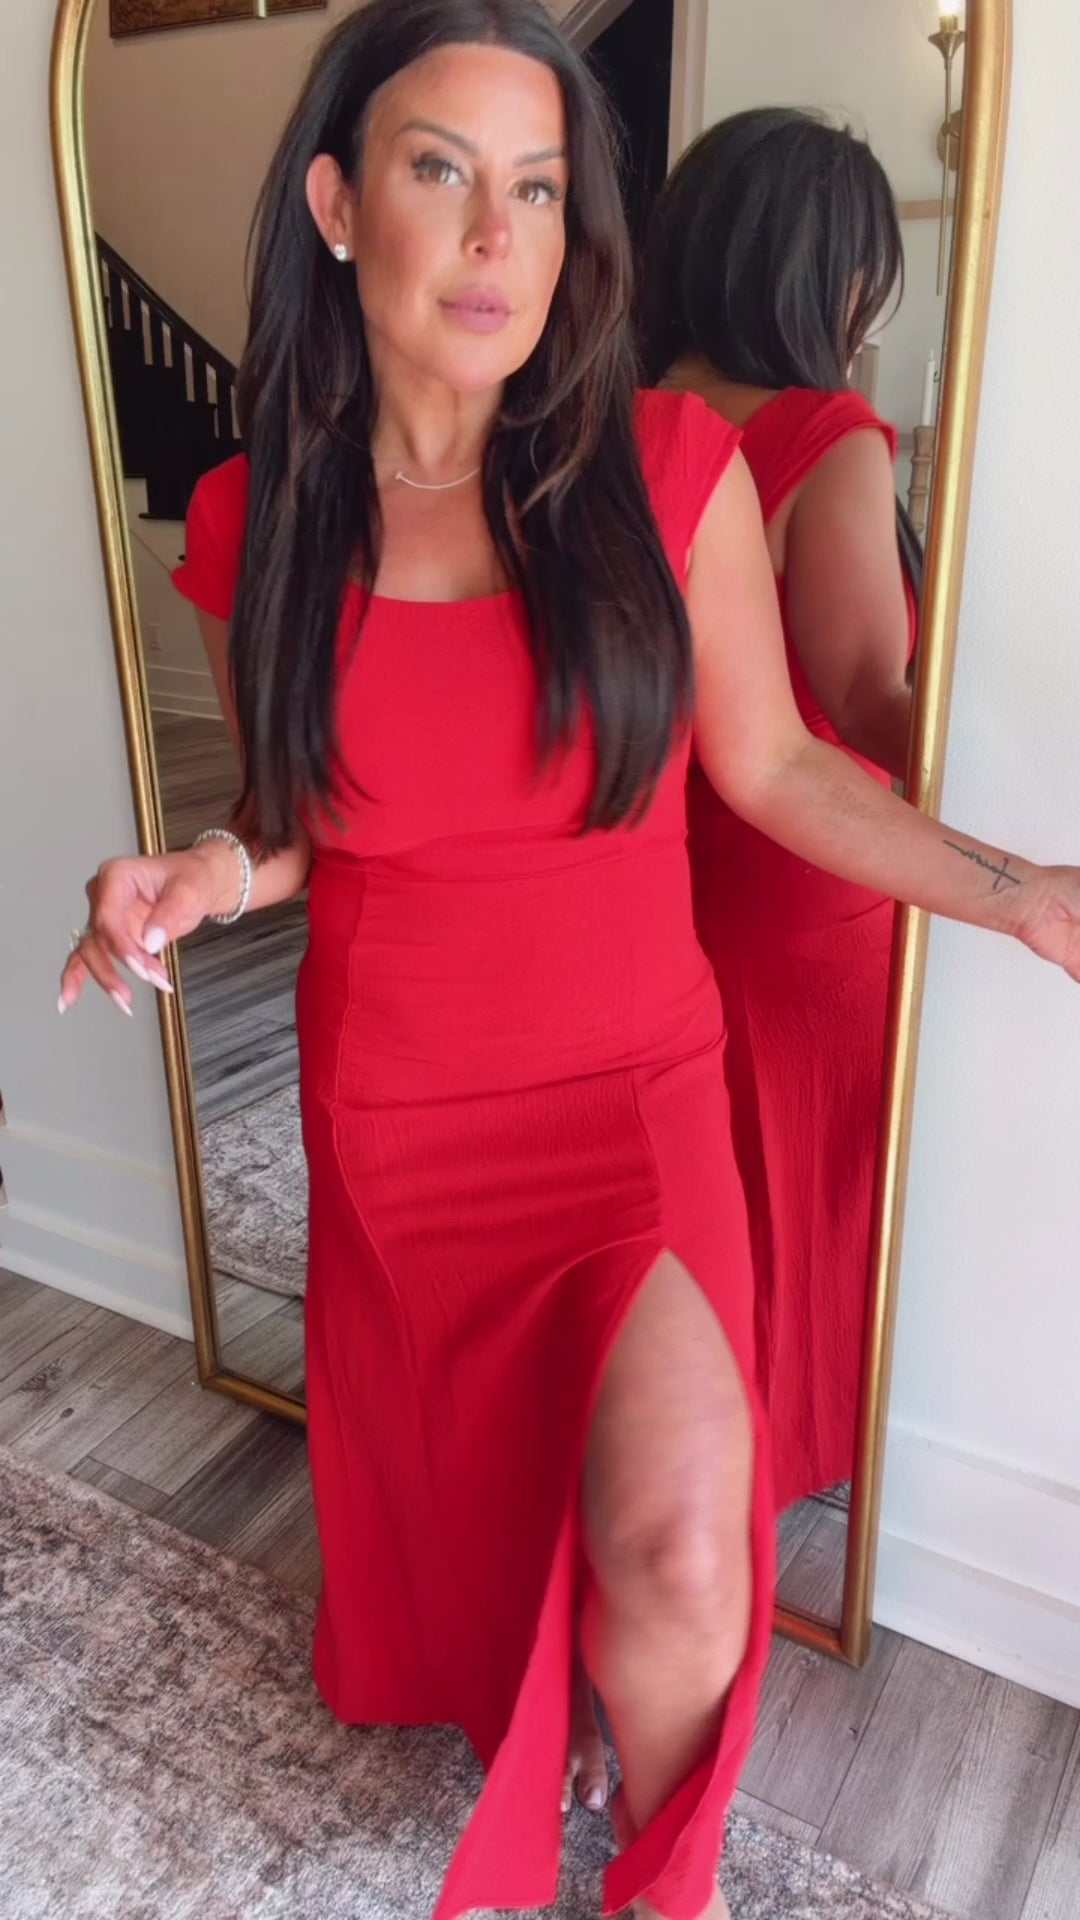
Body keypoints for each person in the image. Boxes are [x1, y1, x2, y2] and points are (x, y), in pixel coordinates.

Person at [59, 12, 1080, 1919]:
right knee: (505, 1503)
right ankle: (551, 1671)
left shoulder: (672, 468)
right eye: (441, 171)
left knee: (686, 1546)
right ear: (337, 204)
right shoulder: (255, 514)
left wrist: (1022, 891)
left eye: (537, 189)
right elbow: (294, 813)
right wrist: (203, 872)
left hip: (630, 1099)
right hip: (399, 1110)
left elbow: (778, 769)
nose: (494, 235)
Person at [640, 108, 923, 1514]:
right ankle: (785, 1453)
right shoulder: (826, 436)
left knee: (698, 1196)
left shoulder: (616, 423)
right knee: (814, 1195)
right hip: (811, 888)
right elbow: (865, 696)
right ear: (824, 270)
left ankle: (685, 1451)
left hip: (659, 883)